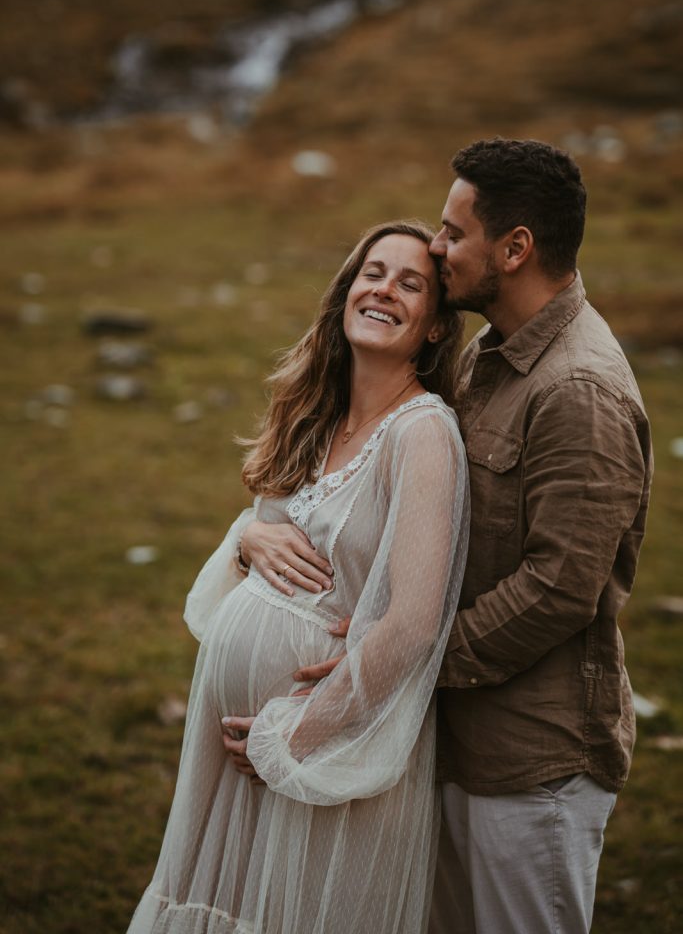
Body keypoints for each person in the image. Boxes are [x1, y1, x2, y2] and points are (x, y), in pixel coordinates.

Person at [235, 139, 652, 934]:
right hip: (450, 749)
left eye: (453, 232)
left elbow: (558, 589)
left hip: (532, 768)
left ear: (515, 248)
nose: (434, 248)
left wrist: (394, 664)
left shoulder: (579, 391)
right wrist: (253, 536)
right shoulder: (491, 357)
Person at [126, 220, 470, 934]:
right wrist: (246, 537)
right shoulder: (315, 413)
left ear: (436, 327)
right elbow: (272, 530)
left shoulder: (422, 434)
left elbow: (412, 623)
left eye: (411, 284)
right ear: (345, 293)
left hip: (324, 749)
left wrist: (293, 735)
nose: (383, 290)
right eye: (372, 273)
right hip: (237, 750)